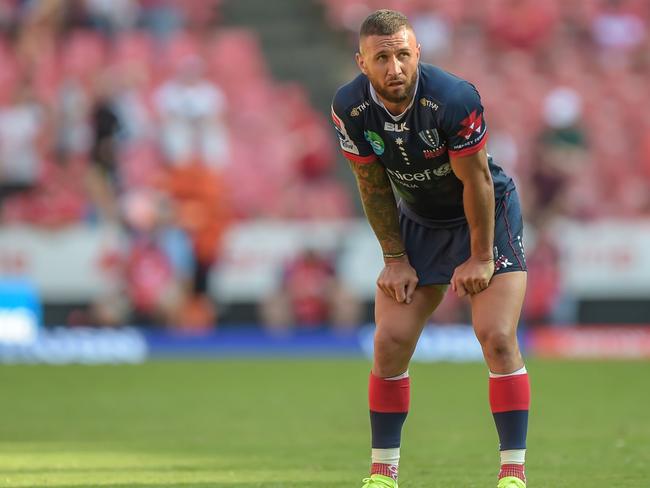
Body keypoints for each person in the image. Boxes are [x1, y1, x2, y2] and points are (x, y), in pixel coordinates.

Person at [331, 10, 529, 488]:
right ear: (363, 63)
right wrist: (394, 259)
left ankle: (513, 473)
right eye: (382, 58)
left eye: (403, 54)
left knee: (496, 336)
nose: (395, 67)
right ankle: (382, 471)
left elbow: (477, 181)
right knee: (389, 341)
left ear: (417, 52)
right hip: (419, 220)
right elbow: (372, 184)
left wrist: (481, 255)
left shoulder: (454, 99)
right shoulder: (349, 107)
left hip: (483, 214)